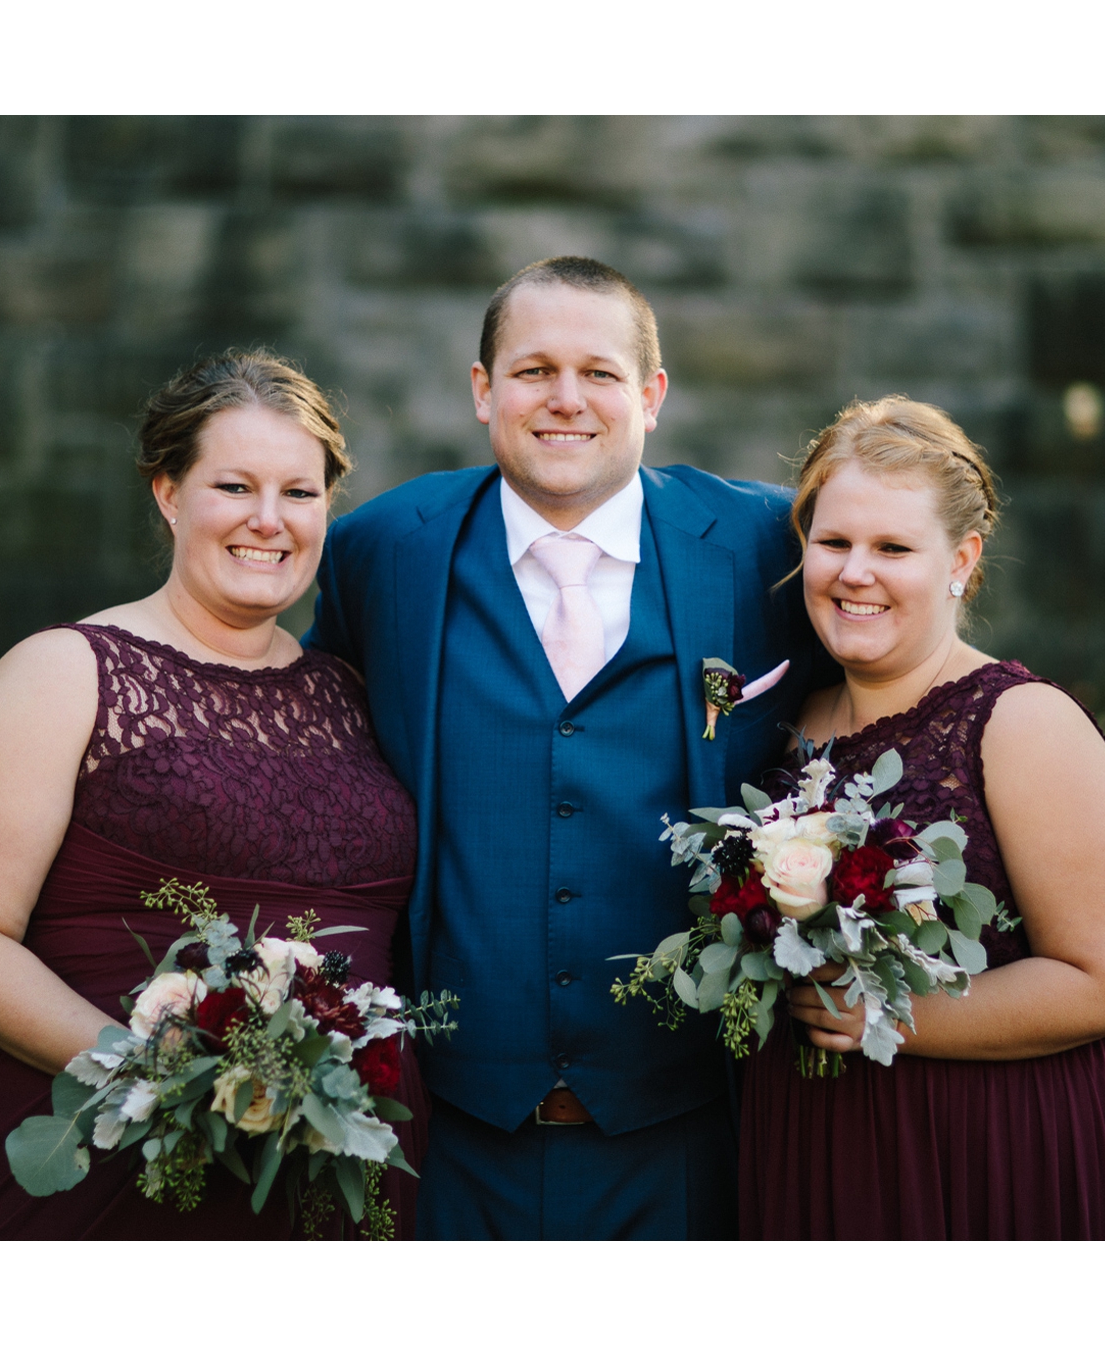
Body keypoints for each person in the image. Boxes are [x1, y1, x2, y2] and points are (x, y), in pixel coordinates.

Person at [303, 257, 822, 1239]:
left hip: (688, 1132)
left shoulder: (768, 547)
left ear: (652, 395)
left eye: (600, 372)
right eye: (534, 370)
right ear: (482, 390)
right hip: (444, 1134)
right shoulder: (381, 550)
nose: (565, 400)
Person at [0, 350, 427, 1239]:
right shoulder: (66, 673)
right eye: (234, 486)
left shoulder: (356, 693)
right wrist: (171, 1074)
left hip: (332, 1178)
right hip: (112, 1165)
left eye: (300, 494)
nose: (270, 521)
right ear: (169, 493)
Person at [740, 395, 1105, 1239]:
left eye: (893, 548)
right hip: (837, 1141)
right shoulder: (789, 723)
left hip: (1015, 1141)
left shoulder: (1021, 722)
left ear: (961, 559)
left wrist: (882, 1015)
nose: (855, 572)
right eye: (834, 541)